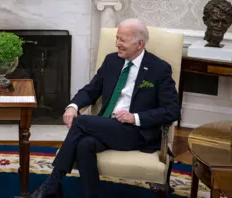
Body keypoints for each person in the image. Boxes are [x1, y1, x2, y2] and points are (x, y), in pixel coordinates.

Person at [29, 18, 181, 198]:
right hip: (107, 126)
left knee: (81, 122)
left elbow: (172, 110)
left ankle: (51, 184)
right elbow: (91, 90)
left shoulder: (159, 68)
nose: (117, 44)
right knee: (84, 145)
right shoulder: (112, 61)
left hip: (136, 132)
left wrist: (135, 117)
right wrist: (73, 106)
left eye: (122, 40)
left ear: (139, 44)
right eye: (117, 38)